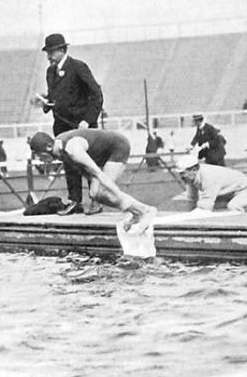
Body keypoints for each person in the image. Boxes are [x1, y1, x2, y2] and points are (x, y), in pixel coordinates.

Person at [28, 129, 157, 233]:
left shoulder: (72, 149)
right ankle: (137, 213)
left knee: (103, 192)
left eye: (39, 155)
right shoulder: (60, 148)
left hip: (118, 147)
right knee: (95, 193)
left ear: (49, 146)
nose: (40, 159)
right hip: (104, 152)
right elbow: (85, 172)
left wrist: (114, 192)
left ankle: (145, 210)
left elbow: (99, 174)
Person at [37, 33, 104, 214]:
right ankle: (75, 201)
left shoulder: (78, 67)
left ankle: (96, 200)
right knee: (69, 164)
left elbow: (96, 94)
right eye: (47, 52)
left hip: (81, 126)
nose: (48, 56)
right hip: (61, 126)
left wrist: (88, 121)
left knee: (88, 163)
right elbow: (54, 98)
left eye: (51, 52)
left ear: (61, 50)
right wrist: (46, 104)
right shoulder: (50, 72)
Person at [175, 155, 247, 212]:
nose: (181, 177)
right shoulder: (190, 178)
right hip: (228, 192)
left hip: (245, 190)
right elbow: (192, 200)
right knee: (216, 210)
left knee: (233, 207)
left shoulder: (208, 176)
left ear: (194, 169)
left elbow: (205, 206)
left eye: (183, 173)